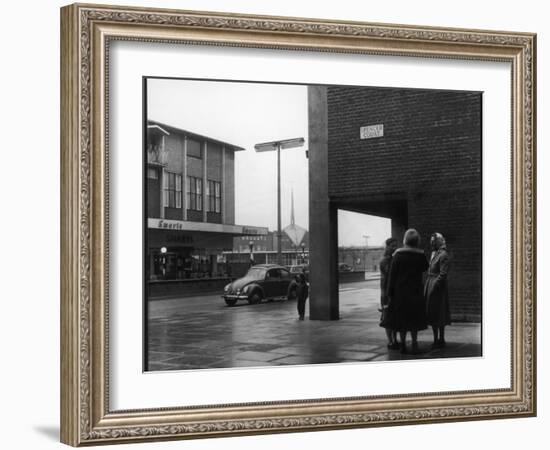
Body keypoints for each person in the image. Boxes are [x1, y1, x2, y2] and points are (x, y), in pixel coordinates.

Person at [387, 228, 429, 354]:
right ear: (417, 241)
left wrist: (389, 293)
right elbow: (425, 267)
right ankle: (415, 343)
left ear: (405, 240)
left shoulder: (398, 255)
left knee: (402, 319)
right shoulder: (420, 255)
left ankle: (403, 344)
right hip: (415, 291)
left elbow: (392, 276)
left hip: (400, 292)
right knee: (414, 318)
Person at [425, 232, 452, 348]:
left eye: (433, 241)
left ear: (440, 241)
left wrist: (434, 286)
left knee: (439, 313)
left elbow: (443, 274)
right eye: (431, 241)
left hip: (438, 288)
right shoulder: (434, 253)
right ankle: (436, 339)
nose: (431, 243)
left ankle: (441, 339)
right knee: (433, 313)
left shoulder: (443, 254)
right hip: (431, 283)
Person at [379, 237, 399, 349]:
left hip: (394, 292)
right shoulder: (384, 261)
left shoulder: (394, 259)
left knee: (394, 317)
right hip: (386, 293)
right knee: (387, 318)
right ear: (387, 247)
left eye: (395, 245)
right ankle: (390, 341)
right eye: (392, 246)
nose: (394, 248)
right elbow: (385, 279)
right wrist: (384, 296)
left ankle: (395, 340)